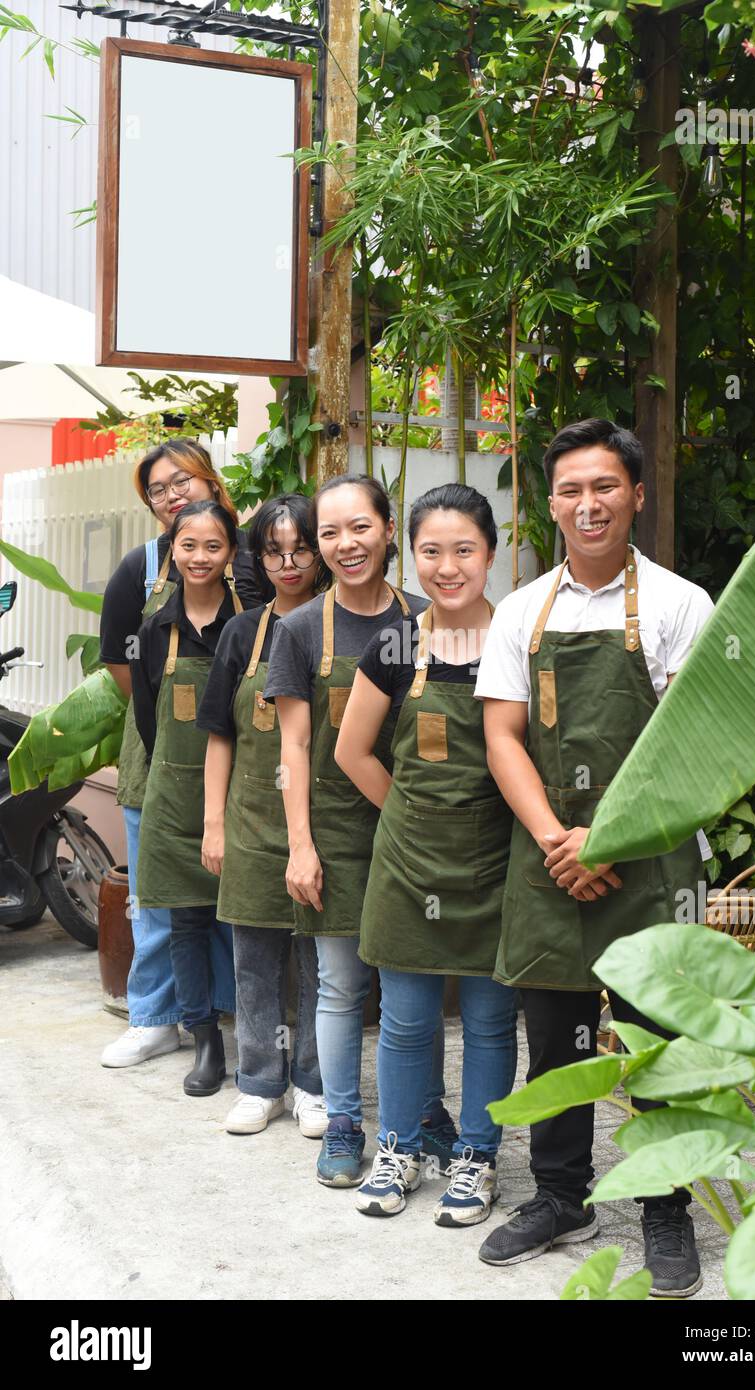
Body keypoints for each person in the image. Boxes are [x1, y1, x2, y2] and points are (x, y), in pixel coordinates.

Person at [474, 418, 714, 1297]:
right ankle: (560, 1196)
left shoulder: (683, 605)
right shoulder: (520, 610)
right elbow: (502, 736)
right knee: (559, 1044)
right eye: (570, 489)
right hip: (546, 857)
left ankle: (663, 1206)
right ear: (550, 502)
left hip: (646, 859)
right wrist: (555, 840)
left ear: (636, 496)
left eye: (604, 487)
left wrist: (606, 838)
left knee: (657, 1042)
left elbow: (691, 746)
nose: (587, 504)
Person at [335, 484, 518, 1227]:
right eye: (431, 551)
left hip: (499, 865)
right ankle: (399, 1147)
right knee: (405, 1022)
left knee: (489, 1022)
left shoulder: (519, 640)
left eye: (463, 550)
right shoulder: (395, 644)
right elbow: (351, 752)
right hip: (408, 867)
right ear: (411, 556)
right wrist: (412, 816)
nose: (447, 567)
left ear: (491, 554)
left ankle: (476, 1156)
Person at [264, 475, 453, 1188]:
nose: (346, 545)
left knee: (417, 984)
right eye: (330, 534)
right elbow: (293, 749)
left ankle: (427, 1112)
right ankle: (342, 1122)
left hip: (420, 834)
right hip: (338, 835)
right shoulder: (300, 629)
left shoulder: (432, 617)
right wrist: (301, 846)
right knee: (340, 987)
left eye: (360, 528)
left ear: (387, 532)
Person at [100, 440, 262, 1070]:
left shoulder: (254, 559)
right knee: (160, 898)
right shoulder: (139, 567)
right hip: (159, 756)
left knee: (230, 903)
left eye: (181, 481)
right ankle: (154, 1017)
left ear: (210, 479)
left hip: (244, 756)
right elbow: (124, 665)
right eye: (158, 491)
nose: (172, 496)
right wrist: (172, 721)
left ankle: (220, 1016)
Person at [197, 494, 328, 1138]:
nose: (288, 563)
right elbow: (220, 734)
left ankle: (311, 1082)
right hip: (250, 821)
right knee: (253, 957)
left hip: (321, 822)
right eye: (273, 552)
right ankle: (258, 1082)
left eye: (300, 549)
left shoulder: (341, 624)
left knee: (314, 962)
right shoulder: (242, 633)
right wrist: (214, 823)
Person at [131, 499, 243, 1097]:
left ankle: (259, 1036)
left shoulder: (252, 623)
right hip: (175, 801)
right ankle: (204, 1037)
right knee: (186, 926)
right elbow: (148, 720)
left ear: (230, 555)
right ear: (172, 550)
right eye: (188, 545)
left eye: (214, 546)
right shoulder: (155, 630)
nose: (200, 557)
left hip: (247, 799)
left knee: (253, 925)